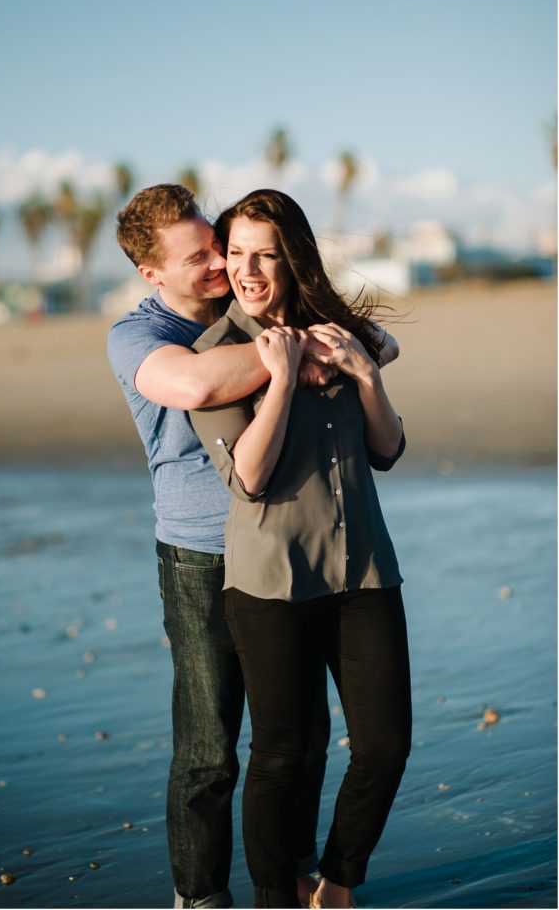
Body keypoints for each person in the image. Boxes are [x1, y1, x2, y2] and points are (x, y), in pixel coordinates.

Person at [107, 184, 400, 909]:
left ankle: (296, 877)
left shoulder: (258, 309)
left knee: (299, 739)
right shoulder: (144, 336)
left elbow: (381, 345)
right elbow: (200, 385)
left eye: (223, 246)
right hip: (203, 556)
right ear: (153, 273)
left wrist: (335, 342)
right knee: (212, 749)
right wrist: (296, 356)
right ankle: (201, 895)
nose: (220, 263)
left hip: (296, 551)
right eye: (203, 255)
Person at [189, 189, 411, 910]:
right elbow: (248, 477)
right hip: (270, 587)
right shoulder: (213, 357)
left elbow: (388, 449)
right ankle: (275, 897)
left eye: (266, 254)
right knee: (284, 756)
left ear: (294, 257)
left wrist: (366, 374)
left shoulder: (337, 333)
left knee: (385, 746)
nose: (248, 270)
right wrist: (281, 379)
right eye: (236, 254)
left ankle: (338, 882)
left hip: (364, 571)